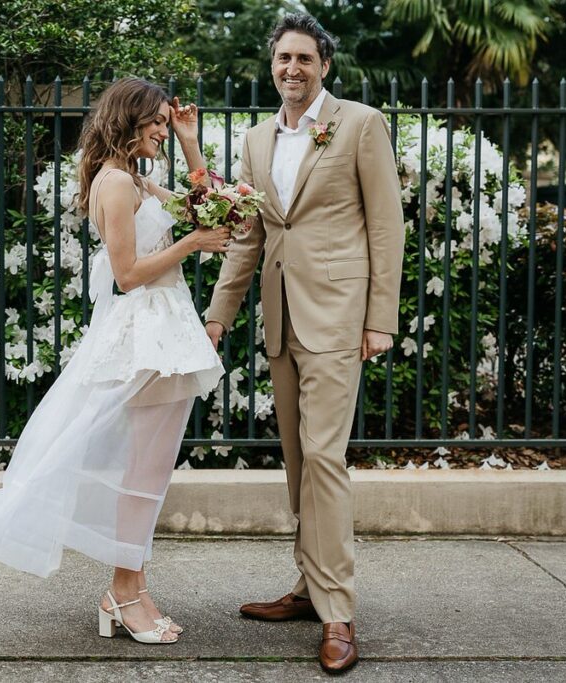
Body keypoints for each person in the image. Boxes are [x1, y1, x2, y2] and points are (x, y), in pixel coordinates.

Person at [0, 77, 229, 645]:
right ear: (127, 122)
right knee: (144, 474)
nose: (160, 128)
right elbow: (128, 275)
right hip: (145, 335)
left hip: (165, 332)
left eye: (164, 122)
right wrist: (189, 247)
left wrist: (188, 140)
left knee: (148, 472)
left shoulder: (136, 179)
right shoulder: (114, 184)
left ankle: (129, 589)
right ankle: (125, 594)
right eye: (155, 121)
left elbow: (209, 206)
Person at [204, 13, 405, 674]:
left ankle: (339, 610)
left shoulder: (360, 124)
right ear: (274, 65)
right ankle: (307, 586)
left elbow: (386, 226)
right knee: (298, 458)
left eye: (304, 59)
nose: (292, 69)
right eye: (283, 59)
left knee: (324, 455)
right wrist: (218, 316)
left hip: (340, 316)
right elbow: (249, 236)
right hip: (281, 318)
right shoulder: (257, 139)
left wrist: (381, 318)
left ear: (325, 65)